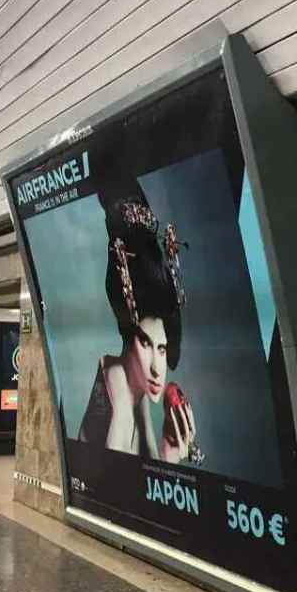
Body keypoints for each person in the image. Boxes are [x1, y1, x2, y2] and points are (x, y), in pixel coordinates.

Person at [76, 188, 198, 465]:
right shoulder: (118, 379)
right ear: (129, 338)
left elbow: (146, 468)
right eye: (145, 342)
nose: (157, 368)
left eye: (162, 348)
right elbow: (117, 478)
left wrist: (170, 453)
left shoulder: (137, 388)